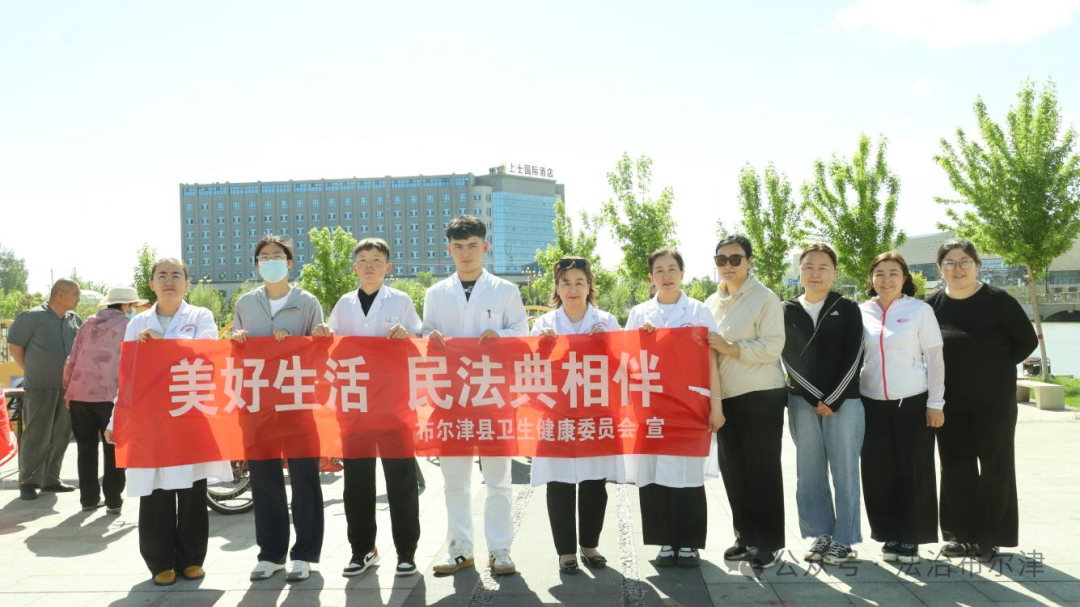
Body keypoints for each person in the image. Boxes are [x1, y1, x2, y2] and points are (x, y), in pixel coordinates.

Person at [105, 259, 233, 586]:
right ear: (151, 284)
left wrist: (162, 344)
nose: (169, 281)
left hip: (190, 415)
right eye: (162, 275)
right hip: (152, 420)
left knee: (192, 490)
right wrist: (115, 418)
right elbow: (129, 375)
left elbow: (206, 355)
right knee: (155, 491)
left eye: (176, 275)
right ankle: (159, 561)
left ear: (187, 283)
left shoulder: (200, 317)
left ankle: (191, 559)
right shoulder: (137, 323)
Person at [422, 215, 529, 576]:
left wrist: (502, 336)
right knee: (455, 481)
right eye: (458, 247)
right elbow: (425, 336)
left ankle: (500, 549)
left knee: (498, 479)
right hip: (451, 400)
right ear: (448, 249)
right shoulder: (436, 293)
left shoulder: (505, 290)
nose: (465, 253)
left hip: (493, 397)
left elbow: (522, 334)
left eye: (472, 246)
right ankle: (460, 548)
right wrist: (430, 338)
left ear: (485, 247)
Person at [312, 237, 423, 578]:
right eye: (363, 260)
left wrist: (407, 335)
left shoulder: (401, 300)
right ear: (354, 267)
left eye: (376, 260)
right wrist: (323, 332)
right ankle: (362, 550)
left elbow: (420, 343)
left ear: (388, 266)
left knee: (401, 481)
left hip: (394, 407)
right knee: (357, 483)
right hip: (355, 406)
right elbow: (332, 346)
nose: (369, 266)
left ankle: (406, 552)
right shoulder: (344, 304)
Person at [927, 239, 1038, 563]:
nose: (957, 268)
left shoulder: (998, 300)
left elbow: (1026, 341)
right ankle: (960, 535)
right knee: (955, 467)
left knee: (995, 468)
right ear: (940, 268)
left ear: (977, 265)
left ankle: (990, 538)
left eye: (964, 261)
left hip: (995, 402)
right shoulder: (931, 307)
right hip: (949, 404)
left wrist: (995, 367)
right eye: (950, 262)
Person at [231, 236, 326, 583]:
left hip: (297, 403)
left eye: (277, 256)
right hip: (258, 404)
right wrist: (237, 339)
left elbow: (318, 352)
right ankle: (270, 554)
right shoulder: (246, 302)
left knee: (304, 479)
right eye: (264, 257)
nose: (270, 261)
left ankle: (304, 555)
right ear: (257, 265)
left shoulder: (307, 301)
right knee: (264, 480)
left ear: (289, 263)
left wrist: (316, 337)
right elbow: (235, 352)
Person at [625, 248, 724, 569]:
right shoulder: (639, 314)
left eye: (672, 269)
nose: (666, 276)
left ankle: (689, 544)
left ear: (682, 273)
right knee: (653, 475)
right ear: (650, 277)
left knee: (687, 475)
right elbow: (625, 360)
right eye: (659, 270)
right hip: (651, 407)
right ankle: (665, 542)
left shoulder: (698, 311)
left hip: (690, 407)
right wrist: (640, 339)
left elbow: (711, 359)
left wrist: (716, 406)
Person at [530, 256, 622, 574]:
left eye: (579, 282)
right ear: (556, 288)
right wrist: (543, 349)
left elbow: (624, 366)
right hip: (557, 414)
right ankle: (566, 552)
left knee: (594, 480)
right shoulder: (544, 324)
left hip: (596, 413)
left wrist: (607, 347)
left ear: (589, 286)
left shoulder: (606, 321)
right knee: (559, 482)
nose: (572, 289)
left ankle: (590, 545)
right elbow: (532, 370)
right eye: (565, 283)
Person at [705, 234, 787, 569]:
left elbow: (773, 346)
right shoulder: (712, 302)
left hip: (761, 395)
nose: (728, 265)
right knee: (734, 471)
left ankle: (769, 542)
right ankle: (746, 537)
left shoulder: (765, 298)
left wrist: (730, 348)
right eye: (721, 260)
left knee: (762, 471)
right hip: (726, 398)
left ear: (749, 261)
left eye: (735, 259)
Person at [858, 251, 945, 565]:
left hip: (913, 402)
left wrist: (935, 403)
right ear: (871, 279)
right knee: (878, 473)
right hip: (871, 405)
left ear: (905, 278)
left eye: (893, 273)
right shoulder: (861, 311)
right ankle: (888, 535)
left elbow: (935, 359)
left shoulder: (919, 310)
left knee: (914, 471)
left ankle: (911, 536)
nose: (886, 280)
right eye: (879, 274)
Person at [780, 244, 864, 565]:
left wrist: (833, 398)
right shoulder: (785, 310)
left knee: (845, 471)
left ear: (834, 272)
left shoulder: (847, 307)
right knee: (810, 472)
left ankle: (844, 539)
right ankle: (821, 535)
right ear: (799, 271)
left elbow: (855, 355)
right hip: (802, 402)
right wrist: (815, 396)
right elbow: (787, 357)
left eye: (823, 267)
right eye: (809, 267)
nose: (815, 273)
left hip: (844, 403)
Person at [63, 285, 144, 513]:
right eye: (132, 305)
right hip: (111, 396)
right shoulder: (128, 326)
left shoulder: (87, 325)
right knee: (113, 448)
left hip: (80, 394)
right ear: (125, 305)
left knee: (85, 448)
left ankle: (88, 499)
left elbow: (72, 359)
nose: (133, 309)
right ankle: (113, 500)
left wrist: (68, 389)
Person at [7, 278, 83, 500]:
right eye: (76, 294)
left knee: (61, 433)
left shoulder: (74, 319)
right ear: (60, 294)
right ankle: (29, 481)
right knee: (37, 434)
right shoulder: (31, 317)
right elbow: (15, 347)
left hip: (68, 388)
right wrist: (32, 370)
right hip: (40, 386)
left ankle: (51, 480)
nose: (78, 299)